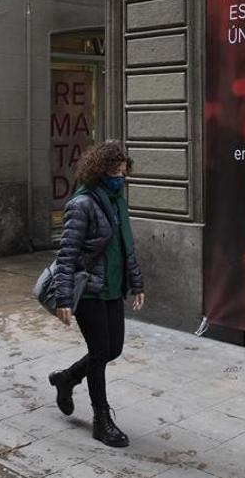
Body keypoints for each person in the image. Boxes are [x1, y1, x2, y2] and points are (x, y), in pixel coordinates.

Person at [48, 141, 145, 448]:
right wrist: (63, 298)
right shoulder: (83, 204)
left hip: (113, 287)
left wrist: (137, 284)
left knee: (113, 349)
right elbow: (67, 255)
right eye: (115, 171)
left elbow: (126, 247)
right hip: (89, 290)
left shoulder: (118, 202)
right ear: (99, 171)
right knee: (100, 352)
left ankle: (67, 378)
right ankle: (101, 420)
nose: (121, 176)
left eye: (123, 170)